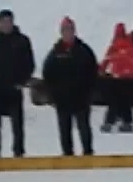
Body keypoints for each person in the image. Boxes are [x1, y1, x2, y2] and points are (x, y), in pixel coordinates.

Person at [0, 9, 33, 158]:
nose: (6, 25)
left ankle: (18, 151)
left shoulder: (22, 41)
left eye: (9, 21)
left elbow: (29, 63)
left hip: (14, 89)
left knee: (17, 124)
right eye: (3, 22)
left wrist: (22, 81)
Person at [41, 17, 96, 155]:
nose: (68, 33)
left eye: (70, 30)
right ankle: (67, 154)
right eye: (65, 30)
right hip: (62, 99)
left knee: (84, 127)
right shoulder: (55, 53)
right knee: (64, 128)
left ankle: (88, 152)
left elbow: (93, 71)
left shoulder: (84, 50)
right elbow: (47, 74)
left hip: (81, 98)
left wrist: (89, 91)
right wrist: (52, 95)